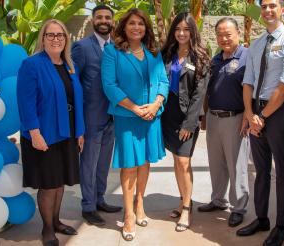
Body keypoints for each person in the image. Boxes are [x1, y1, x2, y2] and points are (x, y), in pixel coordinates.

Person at [238, 0, 284, 245]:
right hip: (255, 109)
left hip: (277, 112)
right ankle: (262, 217)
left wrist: (262, 117)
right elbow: (248, 82)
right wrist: (249, 114)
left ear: (283, 10)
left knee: (283, 170)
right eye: (264, 6)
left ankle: (282, 225)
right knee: (261, 169)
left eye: (272, 6)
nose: (267, 10)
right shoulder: (256, 45)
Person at [101, 8, 169, 241]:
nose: (136, 27)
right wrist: (134, 108)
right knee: (130, 164)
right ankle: (128, 214)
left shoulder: (154, 52)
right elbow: (109, 85)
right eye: (132, 23)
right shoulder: (113, 52)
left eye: (141, 23)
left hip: (151, 117)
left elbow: (163, 81)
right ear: (124, 27)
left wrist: (155, 104)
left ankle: (140, 202)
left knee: (145, 161)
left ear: (146, 28)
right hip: (127, 118)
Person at [17, 19, 84, 245]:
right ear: (43, 38)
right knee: (48, 184)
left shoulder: (69, 65)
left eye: (60, 35)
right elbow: (25, 103)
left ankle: (56, 221)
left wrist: (80, 133)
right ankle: (47, 229)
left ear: (66, 39)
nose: (56, 39)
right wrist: (34, 133)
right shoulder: (32, 64)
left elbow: (76, 102)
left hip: (67, 133)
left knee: (60, 181)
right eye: (50, 35)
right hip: (43, 135)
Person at [72, 4, 122, 227]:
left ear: (113, 21)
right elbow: (74, 85)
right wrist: (78, 121)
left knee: (104, 163)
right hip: (91, 117)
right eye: (99, 17)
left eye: (107, 17)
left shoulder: (119, 49)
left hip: (113, 116)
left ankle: (100, 199)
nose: (104, 20)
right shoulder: (81, 47)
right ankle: (88, 206)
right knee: (89, 163)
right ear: (93, 21)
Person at [160, 12, 211, 232]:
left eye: (186, 29)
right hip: (167, 115)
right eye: (178, 29)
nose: (181, 33)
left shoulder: (200, 57)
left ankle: (188, 208)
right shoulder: (167, 53)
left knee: (184, 162)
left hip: (186, 117)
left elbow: (200, 95)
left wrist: (190, 124)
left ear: (192, 31)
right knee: (177, 160)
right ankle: (182, 201)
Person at [197, 17, 249, 228]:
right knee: (216, 163)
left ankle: (238, 208)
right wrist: (204, 115)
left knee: (237, 165)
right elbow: (208, 89)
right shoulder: (215, 59)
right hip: (214, 118)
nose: (224, 38)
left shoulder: (247, 57)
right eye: (220, 34)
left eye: (228, 34)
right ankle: (218, 200)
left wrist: (248, 114)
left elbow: (251, 89)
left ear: (238, 33)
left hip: (235, 119)